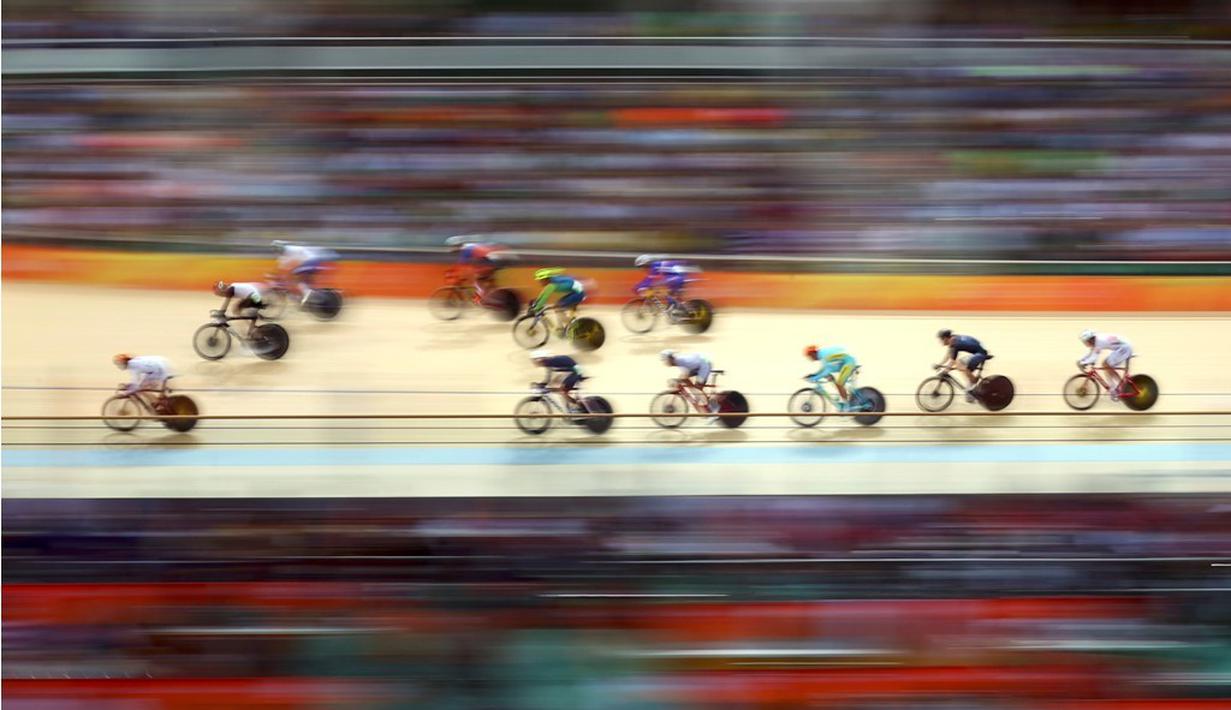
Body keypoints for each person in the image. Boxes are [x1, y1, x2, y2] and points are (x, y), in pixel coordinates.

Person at [446, 235, 513, 297]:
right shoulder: (472, 245)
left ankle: (483, 296)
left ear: (457, 246)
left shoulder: (465, 250)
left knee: (478, 281)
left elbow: (462, 265)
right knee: (487, 279)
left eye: (453, 247)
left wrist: (460, 276)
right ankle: (495, 293)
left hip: (491, 262)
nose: (453, 250)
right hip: (497, 261)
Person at [272, 240, 337, 303]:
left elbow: (283, 268)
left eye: (277, 250)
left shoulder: (289, 250)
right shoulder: (288, 250)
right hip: (314, 261)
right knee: (305, 281)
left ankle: (307, 293)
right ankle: (314, 298)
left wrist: (280, 281)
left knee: (297, 277)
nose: (277, 252)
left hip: (311, 261)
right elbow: (283, 267)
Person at [936, 329, 990, 402]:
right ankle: (971, 388)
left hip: (980, 354)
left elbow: (952, 361)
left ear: (945, 338)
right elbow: (949, 355)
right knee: (960, 364)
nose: (940, 342)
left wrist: (946, 370)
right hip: (978, 352)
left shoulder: (955, 344)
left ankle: (973, 383)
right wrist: (940, 364)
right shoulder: (953, 339)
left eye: (941, 340)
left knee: (959, 363)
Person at [661, 350, 719, 417]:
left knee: (697, 388)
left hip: (704, 365)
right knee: (689, 384)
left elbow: (684, 376)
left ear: (670, 359)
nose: (665, 362)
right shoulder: (678, 362)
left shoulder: (679, 361)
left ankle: (711, 408)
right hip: (699, 364)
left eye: (665, 360)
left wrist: (679, 381)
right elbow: (685, 376)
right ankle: (700, 402)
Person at [1079, 329, 1133, 401]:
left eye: (1085, 342)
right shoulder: (1096, 341)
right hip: (1122, 347)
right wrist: (1081, 360)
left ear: (1089, 339)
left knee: (1106, 365)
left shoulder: (1099, 342)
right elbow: (1090, 353)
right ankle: (1117, 388)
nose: (1085, 343)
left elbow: (1094, 357)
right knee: (1106, 365)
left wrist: (1083, 363)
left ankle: (1118, 388)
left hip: (1124, 348)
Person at [634, 254, 699, 308]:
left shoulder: (655, 266)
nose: (642, 269)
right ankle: (677, 309)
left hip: (678, 277)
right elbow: (649, 280)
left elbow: (649, 281)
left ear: (646, 264)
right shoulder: (657, 266)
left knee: (660, 286)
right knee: (664, 288)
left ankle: (674, 307)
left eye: (642, 267)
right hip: (682, 275)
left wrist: (638, 288)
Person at [803, 344, 857, 408]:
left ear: (813, 354)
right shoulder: (822, 354)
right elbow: (824, 369)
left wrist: (814, 377)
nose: (810, 359)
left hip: (849, 362)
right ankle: (843, 398)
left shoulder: (824, 355)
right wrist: (814, 375)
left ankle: (846, 406)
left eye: (810, 356)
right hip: (845, 361)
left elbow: (825, 370)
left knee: (839, 384)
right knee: (831, 378)